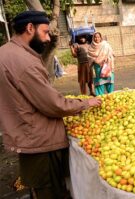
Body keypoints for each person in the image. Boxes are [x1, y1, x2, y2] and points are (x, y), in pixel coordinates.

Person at [0, 11, 102, 199]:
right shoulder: (23, 62)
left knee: (39, 189)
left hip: (23, 134)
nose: (48, 38)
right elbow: (53, 105)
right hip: (39, 140)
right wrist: (85, 103)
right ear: (30, 28)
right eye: (46, 32)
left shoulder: (5, 52)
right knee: (49, 191)